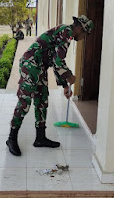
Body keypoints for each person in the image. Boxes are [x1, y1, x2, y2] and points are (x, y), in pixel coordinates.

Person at [6, 15, 94, 156]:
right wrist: (69, 76)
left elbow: (54, 60)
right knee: (25, 102)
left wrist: (65, 84)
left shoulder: (66, 33)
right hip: (31, 64)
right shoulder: (67, 32)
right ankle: (11, 138)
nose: (84, 37)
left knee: (42, 100)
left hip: (40, 66)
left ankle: (40, 138)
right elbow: (59, 61)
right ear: (80, 29)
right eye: (85, 34)